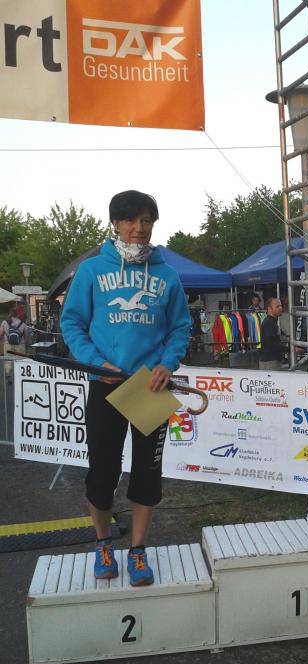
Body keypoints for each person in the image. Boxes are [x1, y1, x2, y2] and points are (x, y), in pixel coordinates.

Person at [60, 190, 191, 587]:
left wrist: (167, 364)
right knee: (102, 474)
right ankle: (103, 543)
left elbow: (180, 328)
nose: (139, 228)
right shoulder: (91, 271)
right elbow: (72, 324)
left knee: (148, 474)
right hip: (106, 384)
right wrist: (95, 363)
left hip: (149, 387)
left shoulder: (167, 275)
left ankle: (137, 550)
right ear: (116, 223)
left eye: (146, 220)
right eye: (131, 220)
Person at [0, 305, 28, 380]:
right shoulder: (23, 324)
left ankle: (8, 376)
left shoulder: (4, 322)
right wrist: (26, 346)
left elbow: (0, 334)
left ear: (10, 314)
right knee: (20, 361)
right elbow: (26, 338)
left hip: (8, 345)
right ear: (18, 314)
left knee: (8, 361)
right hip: (20, 346)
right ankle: (20, 377)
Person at [258, 296, 285, 370]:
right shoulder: (269, 323)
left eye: (281, 306)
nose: (280, 308)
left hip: (271, 361)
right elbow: (271, 344)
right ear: (269, 309)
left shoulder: (271, 322)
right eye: (277, 306)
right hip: (270, 362)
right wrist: (290, 349)